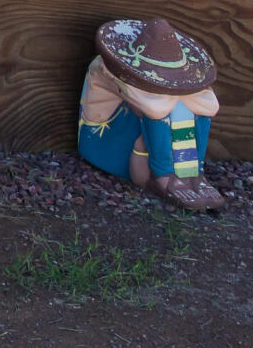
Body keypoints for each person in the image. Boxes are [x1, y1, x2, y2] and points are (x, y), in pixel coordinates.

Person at [76, 16, 223, 211]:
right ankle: (163, 176)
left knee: (185, 109)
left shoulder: (151, 83)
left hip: (131, 133)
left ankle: (193, 173)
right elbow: (153, 107)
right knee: (163, 113)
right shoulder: (108, 69)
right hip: (104, 142)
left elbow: (209, 105)